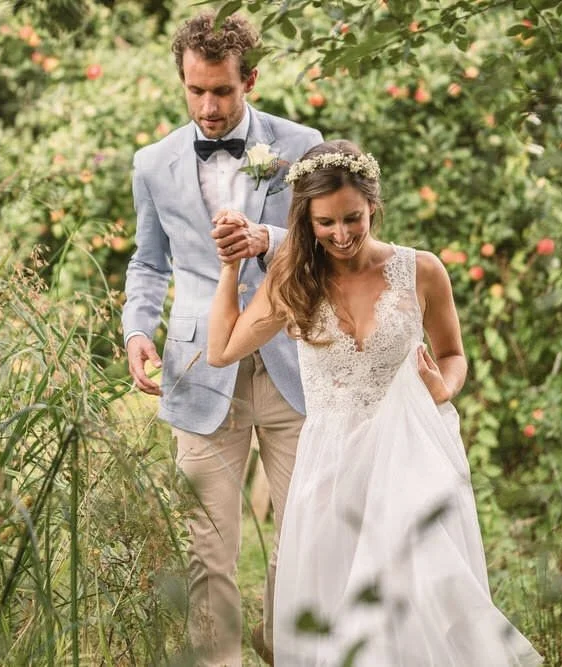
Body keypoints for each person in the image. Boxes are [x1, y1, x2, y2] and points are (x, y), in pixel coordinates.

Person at [207, 140, 543, 666]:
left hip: (410, 453)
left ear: (372, 206)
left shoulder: (421, 270)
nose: (340, 235)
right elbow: (222, 349)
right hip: (331, 463)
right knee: (338, 603)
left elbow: (454, 354)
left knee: (418, 594)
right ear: (305, 221)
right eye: (324, 223)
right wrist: (231, 267)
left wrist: (444, 387)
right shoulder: (296, 280)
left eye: (352, 218)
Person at [121, 10, 322, 666]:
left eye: (223, 91)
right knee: (208, 548)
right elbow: (148, 263)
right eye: (196, 91)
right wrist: (136, 330)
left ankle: (282, 642)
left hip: (292, 359)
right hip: (197, 367)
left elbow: (331, 241)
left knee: (306, 536)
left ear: (251, 81)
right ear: (182, 83)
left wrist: (270, 239)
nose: (208, 106)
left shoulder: (301, 143)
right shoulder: (152, 164)